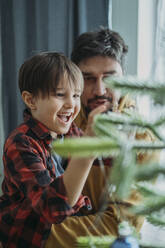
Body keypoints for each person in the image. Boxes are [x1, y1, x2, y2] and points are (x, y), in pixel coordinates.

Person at [45, 28, 158, 248]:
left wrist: (28, 233)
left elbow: (119, 227)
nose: (100, 90)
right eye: (88, 79)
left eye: (109, 78)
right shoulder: (55, 123)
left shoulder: (143, 138)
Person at [0, 52, 108, 248]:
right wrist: (88, 151)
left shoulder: (70, 131)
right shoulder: (20, 143)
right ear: (31, 100)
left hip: (59, 232)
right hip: (26, 239)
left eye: (76, 95)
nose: (71, 104)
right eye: (60, 94)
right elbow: (53, 207)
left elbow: (104, 159)